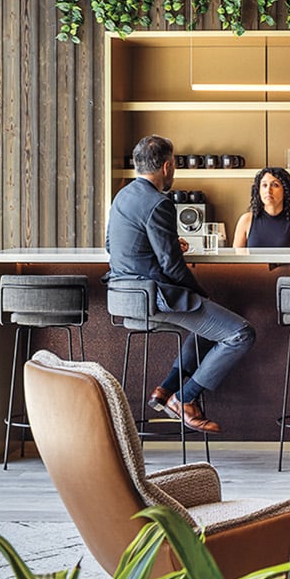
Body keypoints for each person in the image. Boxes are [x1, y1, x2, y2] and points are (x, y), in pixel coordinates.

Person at [106, 134, 256, 433]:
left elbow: (113, 245)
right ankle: (184, 400)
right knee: (241, 334)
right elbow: (172, 267)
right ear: (166, 166)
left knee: (208, 327)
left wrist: (171, 244)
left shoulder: (122, 196)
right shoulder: (158, 202)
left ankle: (164, 390)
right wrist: (199, 291)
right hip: (155, 296)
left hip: (125, 294)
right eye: (172, 164)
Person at [233, 168, 290, 248]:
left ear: (285, 190)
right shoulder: (246, 220)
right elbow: (236, 259)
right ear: (258, 191)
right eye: (264, 185)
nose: (268, 190)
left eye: (275, 185)